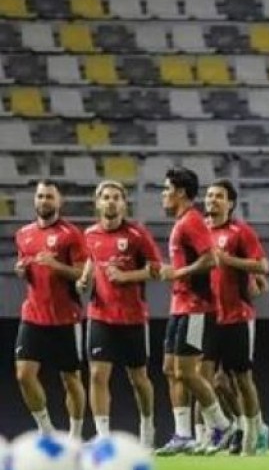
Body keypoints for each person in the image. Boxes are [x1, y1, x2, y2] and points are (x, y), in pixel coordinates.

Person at [155, 168, 234, 456]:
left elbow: (211, 260)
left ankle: (223, 425)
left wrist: (178, 272)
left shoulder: (192, 222)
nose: (163, 195)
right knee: (169, 369)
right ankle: (183, 434)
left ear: (179, 192)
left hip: (196, 307)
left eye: (166, 189)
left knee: (186, 372)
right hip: (180, 306)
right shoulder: (181, 223)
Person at [79, 180, 160, 445]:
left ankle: (147, 426)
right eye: (106, 197)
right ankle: (103, 437)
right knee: (97, 375)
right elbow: (92, 260)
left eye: (116, 197)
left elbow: (157, 269)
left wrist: (127, 276)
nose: (111, 201)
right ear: (98, 202)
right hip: (100, 316)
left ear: (124, 203)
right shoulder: (89, 234)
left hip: (133, 317)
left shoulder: (137, 235)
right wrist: (84, 279)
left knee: (138, 378)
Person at [14, 179, 87, 437]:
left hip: (65, 316)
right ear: (35, 200)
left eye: (49, 197)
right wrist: (22, 271)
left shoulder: (71, 234)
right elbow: (28, 268)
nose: (44, 201)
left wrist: (56, 266)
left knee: (71, 379)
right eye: (40, 196)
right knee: (24, 375)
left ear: (59, 202)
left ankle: (75, 436)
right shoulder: (23, 234)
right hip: (33, 314)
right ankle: (46, 432)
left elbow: (82, 274)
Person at [204, 179, 268, 456]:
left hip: (237, 315)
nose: (212, 200)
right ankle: (225, 428)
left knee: (242, 379)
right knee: (206, 380)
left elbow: (262, 265)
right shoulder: (198, 231)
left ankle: (255, 431)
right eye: (209, 195)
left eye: (219, 196)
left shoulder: (240, 232)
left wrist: (228, 260)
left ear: (230, 203)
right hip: (206, 315)